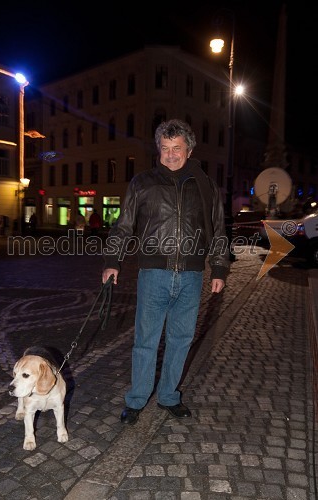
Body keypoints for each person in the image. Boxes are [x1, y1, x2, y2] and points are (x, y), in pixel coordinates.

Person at [102, 119, 230, 425]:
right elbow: (124, 225)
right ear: (158, 149)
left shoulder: (205, 185)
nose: (170, 154)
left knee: (181, 339)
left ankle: (169, 396)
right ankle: (136, 399)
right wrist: (111, 261)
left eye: (177, 148)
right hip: (154, 274)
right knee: (146, 340)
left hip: (191, 276)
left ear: (188, 149)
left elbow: (219, 231)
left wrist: (220, 267)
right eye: (164, 148)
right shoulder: (143, 182)